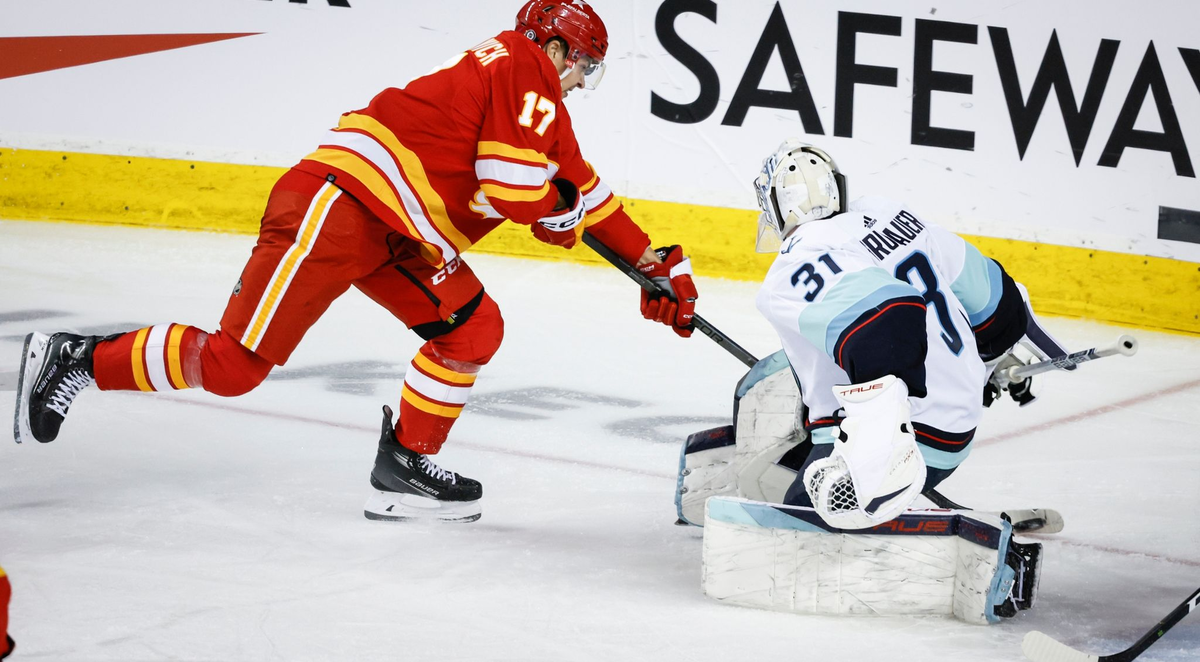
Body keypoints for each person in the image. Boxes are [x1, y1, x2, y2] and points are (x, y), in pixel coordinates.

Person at [12, 0, 698, 523]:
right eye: (583, 66)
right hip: (340, 208)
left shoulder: (538, 105)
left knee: (472, 327)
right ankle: (78, 357)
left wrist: (657, 260)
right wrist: (562, 205)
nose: (582, 82)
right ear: (556, 46)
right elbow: (515, 187)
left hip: (398, 236)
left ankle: (405, 462)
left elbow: (588, 194)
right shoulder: (522, 66)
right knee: (233, 366)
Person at [750, 139, 1066, 530]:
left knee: (794, 532)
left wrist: (876, 448)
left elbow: (888, 323)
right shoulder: (888, 216)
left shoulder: (798, 260)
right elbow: (994, 300)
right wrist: (987, 364)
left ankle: (867, 509)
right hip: (957, 420)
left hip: (909, 437)